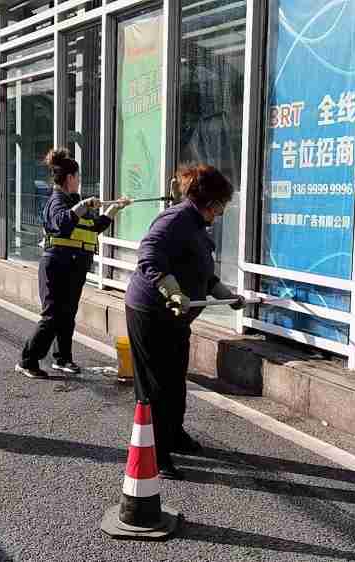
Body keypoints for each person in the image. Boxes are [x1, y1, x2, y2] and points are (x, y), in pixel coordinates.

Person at [124, 164, 243, 480]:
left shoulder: (197, 224)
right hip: (151, 311)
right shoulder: (176, 218)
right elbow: (149, 254)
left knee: (175, 379)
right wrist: (172, 291)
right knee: (155, 385)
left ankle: (174, 434)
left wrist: (226, 295)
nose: (222, 212)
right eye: (222, 205)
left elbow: (202, 272)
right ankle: (154, 452)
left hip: (176, 318)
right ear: (211, 201)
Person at [16, 149, 131, 378]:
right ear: (70, 178)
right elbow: (61, 223)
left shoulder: (74, 201)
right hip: (56, 265)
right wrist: (84, 205)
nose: (79, 181)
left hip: (73, 265)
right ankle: (27, 361)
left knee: (67, 314)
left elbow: (94, 227)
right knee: (52, 316)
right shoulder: (57, 201)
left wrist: (115, 208)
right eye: (77, 177)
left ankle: (62, 359)